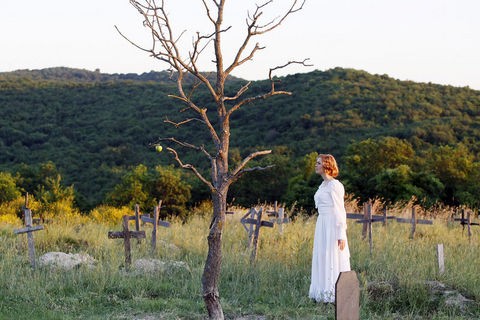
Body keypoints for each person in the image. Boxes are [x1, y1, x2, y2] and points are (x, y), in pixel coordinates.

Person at [309, 153, 351, 303]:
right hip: (322, 223)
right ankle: (322, 292)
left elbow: (340, 210)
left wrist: (341, 234)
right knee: (321, 255)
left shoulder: (335, 185)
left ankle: (333, 294)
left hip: (332, 225)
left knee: (332, 255)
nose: (316, 165)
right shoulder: (323, 185)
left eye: (318, 163)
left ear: (327, 165)